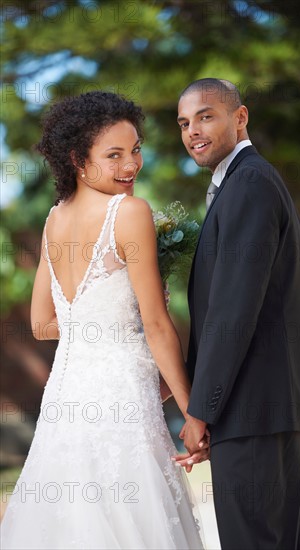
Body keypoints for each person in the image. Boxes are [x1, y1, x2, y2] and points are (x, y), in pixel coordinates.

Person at [0, 91, 208, 550]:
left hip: (66, 399)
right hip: (123, 398)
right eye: (113, 155)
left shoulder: (54, 220)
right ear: (77, 159)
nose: (130, 165)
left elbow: (42, 324)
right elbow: (156, 324)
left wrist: (98, 328)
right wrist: (193, 409)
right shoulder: (129, 213)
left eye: (135, 150)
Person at [174, 78, 300, 549]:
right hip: (266, 409)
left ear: (240, 117)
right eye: (184, 123)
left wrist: (202, 411)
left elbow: (233, 309)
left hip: (253, 408)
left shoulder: (248, 183)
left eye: (206, 116)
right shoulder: (247, 181)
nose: (193, 131)